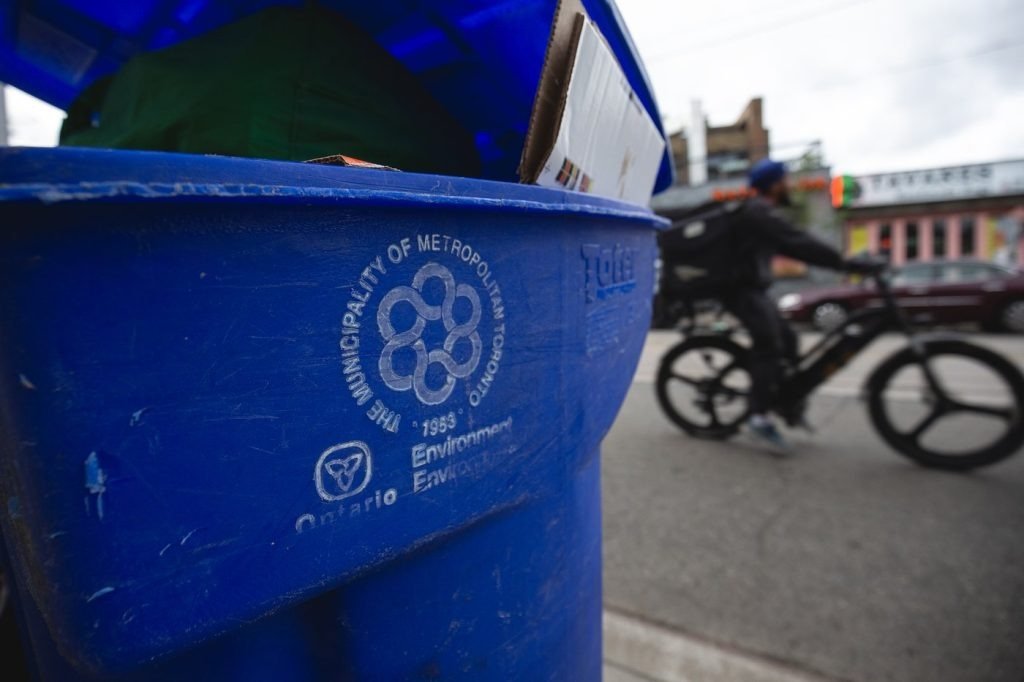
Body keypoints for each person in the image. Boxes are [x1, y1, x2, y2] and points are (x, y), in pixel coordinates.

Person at [725, 159, 871, 449]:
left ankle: (783, 399)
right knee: (768, 345)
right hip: (738, 290)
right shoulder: (757, 211)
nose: (788, 185)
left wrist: (838, 262)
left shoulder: (762, 211)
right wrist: (843, 262)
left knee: (790, 339)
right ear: (773, 184)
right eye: (784, 180)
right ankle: (758, 416)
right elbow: (797, 241)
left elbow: (795, 245)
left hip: (753, 289)